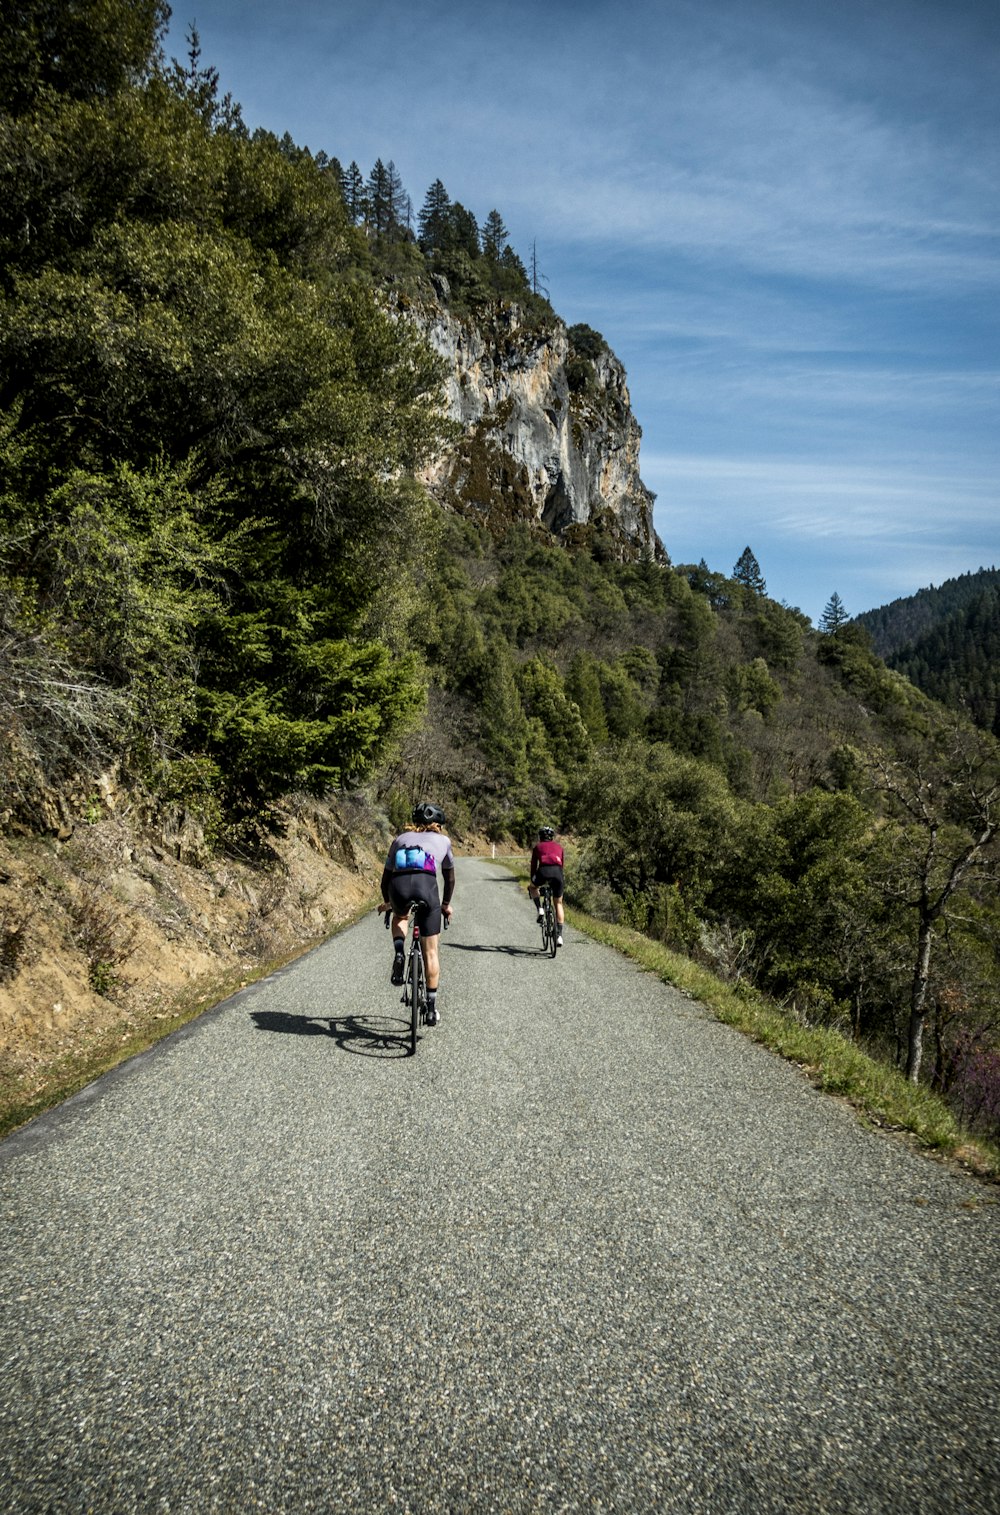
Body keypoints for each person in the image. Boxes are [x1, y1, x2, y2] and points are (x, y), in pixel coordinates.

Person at [379, 801, 455, 1026]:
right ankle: (431, 1009)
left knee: (401, 916)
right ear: (438, 825)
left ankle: (399, 951)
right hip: (427, 888)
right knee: (431, 952)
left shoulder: (400, 839)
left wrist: (388, 902)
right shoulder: (444, 841)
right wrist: (445, 904)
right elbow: (449, 878)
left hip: (399, 887)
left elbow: (385, 879)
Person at [528, 825, 565, 948]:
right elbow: (561, 865)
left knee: (532, 888)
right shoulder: (559, 847)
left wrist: (533, 880)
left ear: (540, 837)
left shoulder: (537, 847)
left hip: (543, 871)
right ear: (552, 837)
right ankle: (559, 936)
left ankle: (540, 909)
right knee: (558, 903)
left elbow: (534, 865)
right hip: (558, 874)